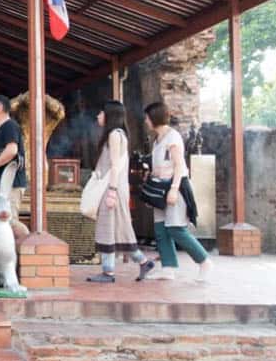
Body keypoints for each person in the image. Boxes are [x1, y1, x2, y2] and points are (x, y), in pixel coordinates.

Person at [90, 100, 156, 283]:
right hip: (114, 187)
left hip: (112, 188)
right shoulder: (117, 134)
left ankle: (109, 272)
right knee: (117, 228)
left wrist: (111, 190)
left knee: (109, 228)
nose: (98, 116)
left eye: (101, 113)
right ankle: (142, 262)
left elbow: (115, 165)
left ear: (110, 115)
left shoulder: (114, 135)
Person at [145, 102, 213, 281]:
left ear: (154, 118)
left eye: (147, 117)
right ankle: (168, 268)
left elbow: (179, 165)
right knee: (160, 229)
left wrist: (174, 190)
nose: (145, 121)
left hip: (175, 187)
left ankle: (204, 261)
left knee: (176, 228)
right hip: (160, 189)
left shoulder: (172, 137)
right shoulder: (157, 139)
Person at [0, 94, 29, 240]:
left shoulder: (9, 126)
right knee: (0, 222)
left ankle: (31, 245)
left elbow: (12, 150)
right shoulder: (3, 129)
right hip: (4, 184)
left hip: (11, 183)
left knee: (8, 221)